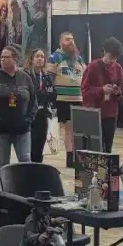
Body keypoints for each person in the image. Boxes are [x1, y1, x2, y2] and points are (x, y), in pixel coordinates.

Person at [47, 32, 86, 165]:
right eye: (67, 39)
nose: (71, 42)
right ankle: (70, 158)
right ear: (60, 42)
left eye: (72, 39)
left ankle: (77, 156)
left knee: (77, 129)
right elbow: (49, 79)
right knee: (69, 128)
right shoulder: (55, 57)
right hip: (63, 99)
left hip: (78, 98)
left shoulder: (78, 58)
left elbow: (85, 75)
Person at [80, 37, 123, 153]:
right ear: (104, 51)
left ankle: (106, 165)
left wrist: (116, 91)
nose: (113, 60)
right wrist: (101, 90)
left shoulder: (118, 68)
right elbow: (85, 91)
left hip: (111, 113)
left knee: (108, 147)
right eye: (111, 57)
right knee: (93, 147)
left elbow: (120, 89)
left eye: (115, 58)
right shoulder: (93, 67)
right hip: (94, 112)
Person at [0, 44, 37, 168]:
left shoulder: (25, 77)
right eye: (1, 57)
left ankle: (25, 181)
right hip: (1, 129)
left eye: (6, 57)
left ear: (15, 59)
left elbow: (33, 101)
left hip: (22, 129)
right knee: (3, 163)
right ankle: (2, 181)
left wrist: (28, 119)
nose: (2, 60)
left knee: (25, 160)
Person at [25, 49, 57, 163]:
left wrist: (42, 93)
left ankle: (38, 168)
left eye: (42, 57)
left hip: (43, 114)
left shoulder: (46, 77)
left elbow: (53, 94)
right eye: (37, 56)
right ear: (32, 59)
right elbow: (29, 94)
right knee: (30, 146)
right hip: (29, 114)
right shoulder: (26, 75)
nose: (40, 59)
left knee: (40, 145)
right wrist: (43, 93)